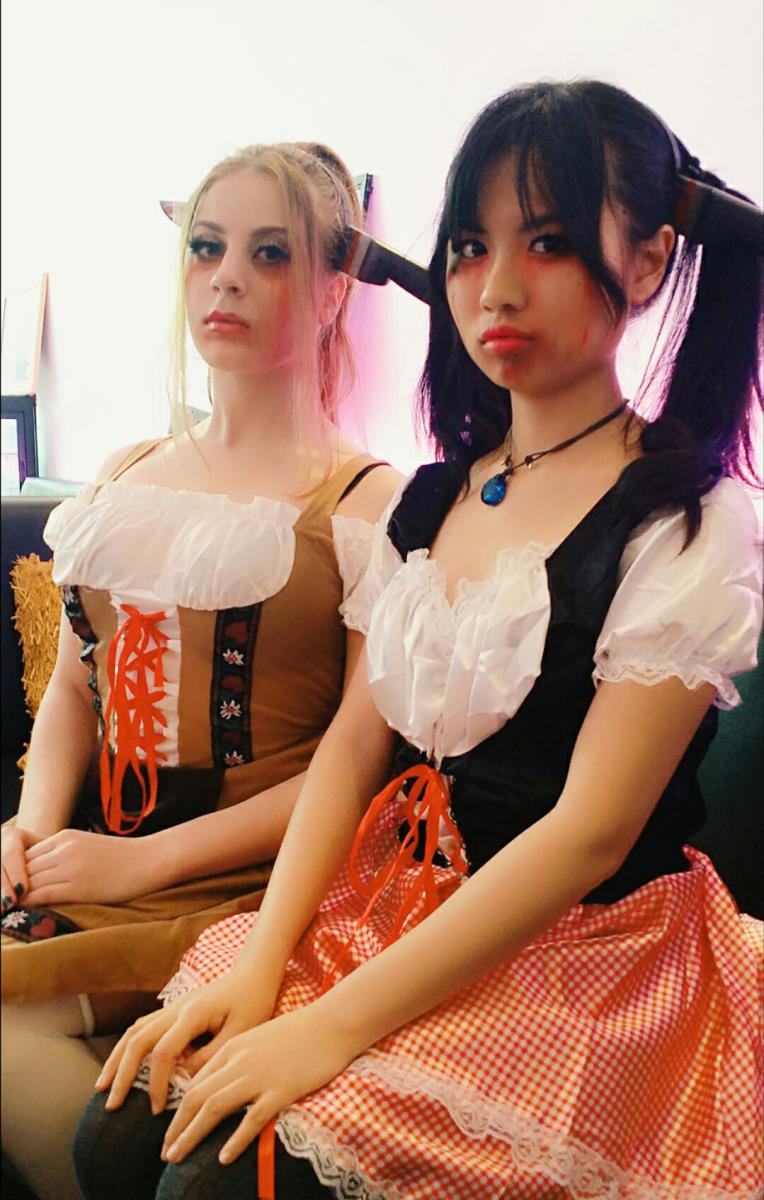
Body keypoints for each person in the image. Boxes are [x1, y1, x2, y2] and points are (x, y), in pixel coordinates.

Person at [74, 80, 763, 1200]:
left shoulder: (686, 521)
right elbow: (354, 749)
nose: (495, 287)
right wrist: (263, 968)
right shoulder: (433, 497)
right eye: (470, 247)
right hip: (388, 909)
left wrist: (329, 1028)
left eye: (547, 241)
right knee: (114, 1133)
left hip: (576, 957)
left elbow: (588, 834)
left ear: (647, 262)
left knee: (215, 1180)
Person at [0, 140, 401, 1200]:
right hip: (90, 859)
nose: (226, 278)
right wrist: (30, 831)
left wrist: (142, 865)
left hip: (260, 885)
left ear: (332, 289)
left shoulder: (369, 501)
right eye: (207, 247)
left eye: (270, 253)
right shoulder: (126, 471)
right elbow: (75, 688)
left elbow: (356, 763)